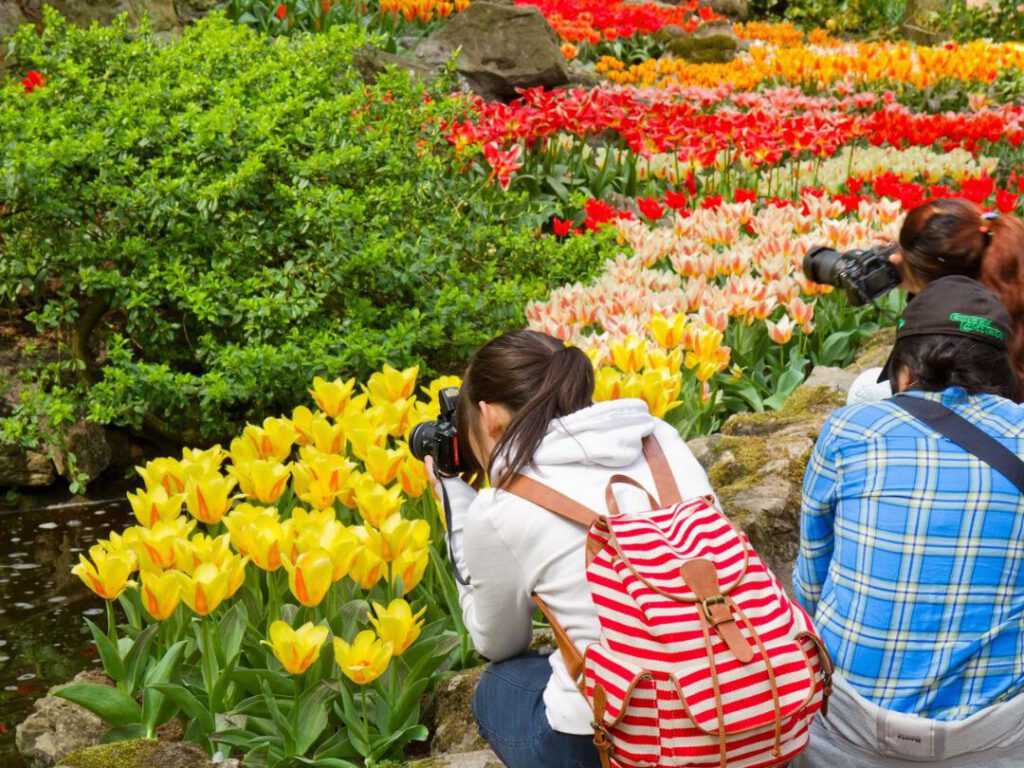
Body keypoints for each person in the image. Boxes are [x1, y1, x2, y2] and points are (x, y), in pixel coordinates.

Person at [424, 329, 714, 768]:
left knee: (500, 687)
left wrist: (460, 519)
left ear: (488, 416)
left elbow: (498, 642)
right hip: (741, 696)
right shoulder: (659, 438)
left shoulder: (502, 506)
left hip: (624, 739)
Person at [794, 275, 1024, 767]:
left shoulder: (851, 429)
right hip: (989, 737)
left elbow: (810, 582)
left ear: (904, 368)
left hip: (850, 722)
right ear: (1001, 368)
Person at [847, 198, 1024, 404]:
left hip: (987, 418)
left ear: (942, 281)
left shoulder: (962, 318)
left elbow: (912, 378)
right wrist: (919, 264)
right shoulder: (1009, 259)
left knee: (866, 387)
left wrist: (916, 285)